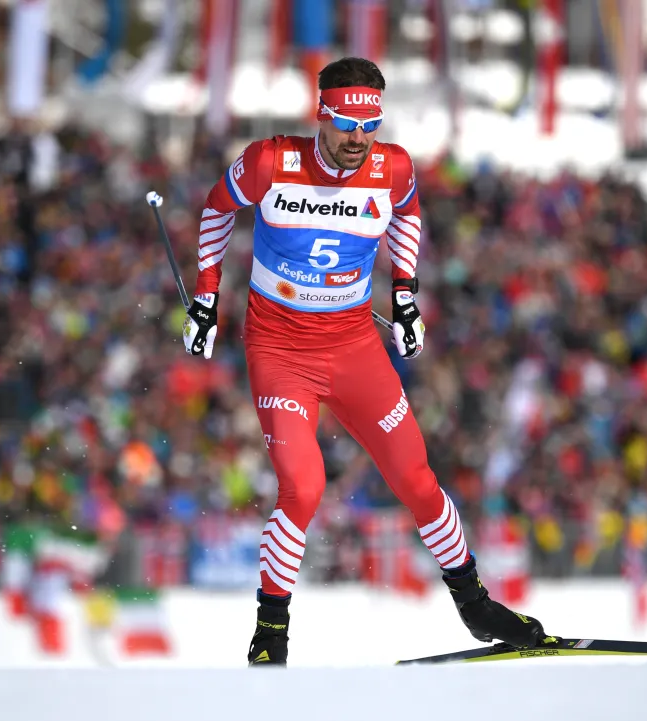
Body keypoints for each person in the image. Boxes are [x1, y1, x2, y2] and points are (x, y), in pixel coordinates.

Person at [183, 56, 558, 666]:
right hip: (281, 350)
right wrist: (205, 298)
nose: (359, 137)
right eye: (348, 123)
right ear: (322, 116)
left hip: (354, 344)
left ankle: (474, 603)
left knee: (416, 478)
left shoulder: (393, 167)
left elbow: (407, 214)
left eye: (371, 124)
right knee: (303, 487)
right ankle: (271, 628)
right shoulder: (270, 162)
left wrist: (404, 293)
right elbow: (216, 209)